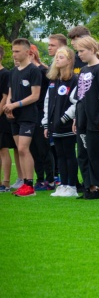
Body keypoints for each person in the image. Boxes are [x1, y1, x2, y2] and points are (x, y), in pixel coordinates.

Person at [73, 36, 99, 199]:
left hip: (95, 119)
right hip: (82, 117)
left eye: (82, 51)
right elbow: (80, 97)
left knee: (97, 153)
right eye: (78, 51)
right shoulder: (83, 70)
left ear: (92, 50)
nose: (79, 54)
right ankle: (89, 186)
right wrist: (76, 118)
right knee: (83, 153)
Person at [5, 38, 42, 197]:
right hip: (14, 116)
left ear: (27, 52)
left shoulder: (34, 70)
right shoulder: (13, 72)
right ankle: (24, 183)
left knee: (23, 148)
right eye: (13, 51)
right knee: (19, 150)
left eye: (17, 51)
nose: (14, 54)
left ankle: (29, 186)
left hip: (28, 115)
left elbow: (35, 96)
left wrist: (15, 105)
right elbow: (10, 92)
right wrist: (8, 106)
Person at [43, 47, 79, 197]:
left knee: (69, 155)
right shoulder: (53, 80)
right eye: (56, 57)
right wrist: (46, 123)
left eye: (61, 57)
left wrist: (65, 118)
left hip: (67, 125)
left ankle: (72, 186)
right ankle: (63, 185)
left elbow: (76, 102)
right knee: (60, 155)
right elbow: (47, 102)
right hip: (54, 125)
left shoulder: (74, 79)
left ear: (69, 60)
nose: (57, 59)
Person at [29, 45, 56, 191]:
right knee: (33, 148)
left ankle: (50, 179)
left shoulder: (43, 71)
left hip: (41, 113)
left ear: (31, 54)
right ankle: (39, 179)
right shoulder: (26, 71)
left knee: (43, 147)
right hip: (29, 113)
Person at [0, 46, 20, 192]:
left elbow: (5, 97)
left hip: (3, 117)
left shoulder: (5, 74)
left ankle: (6, 182)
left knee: (3, 149)